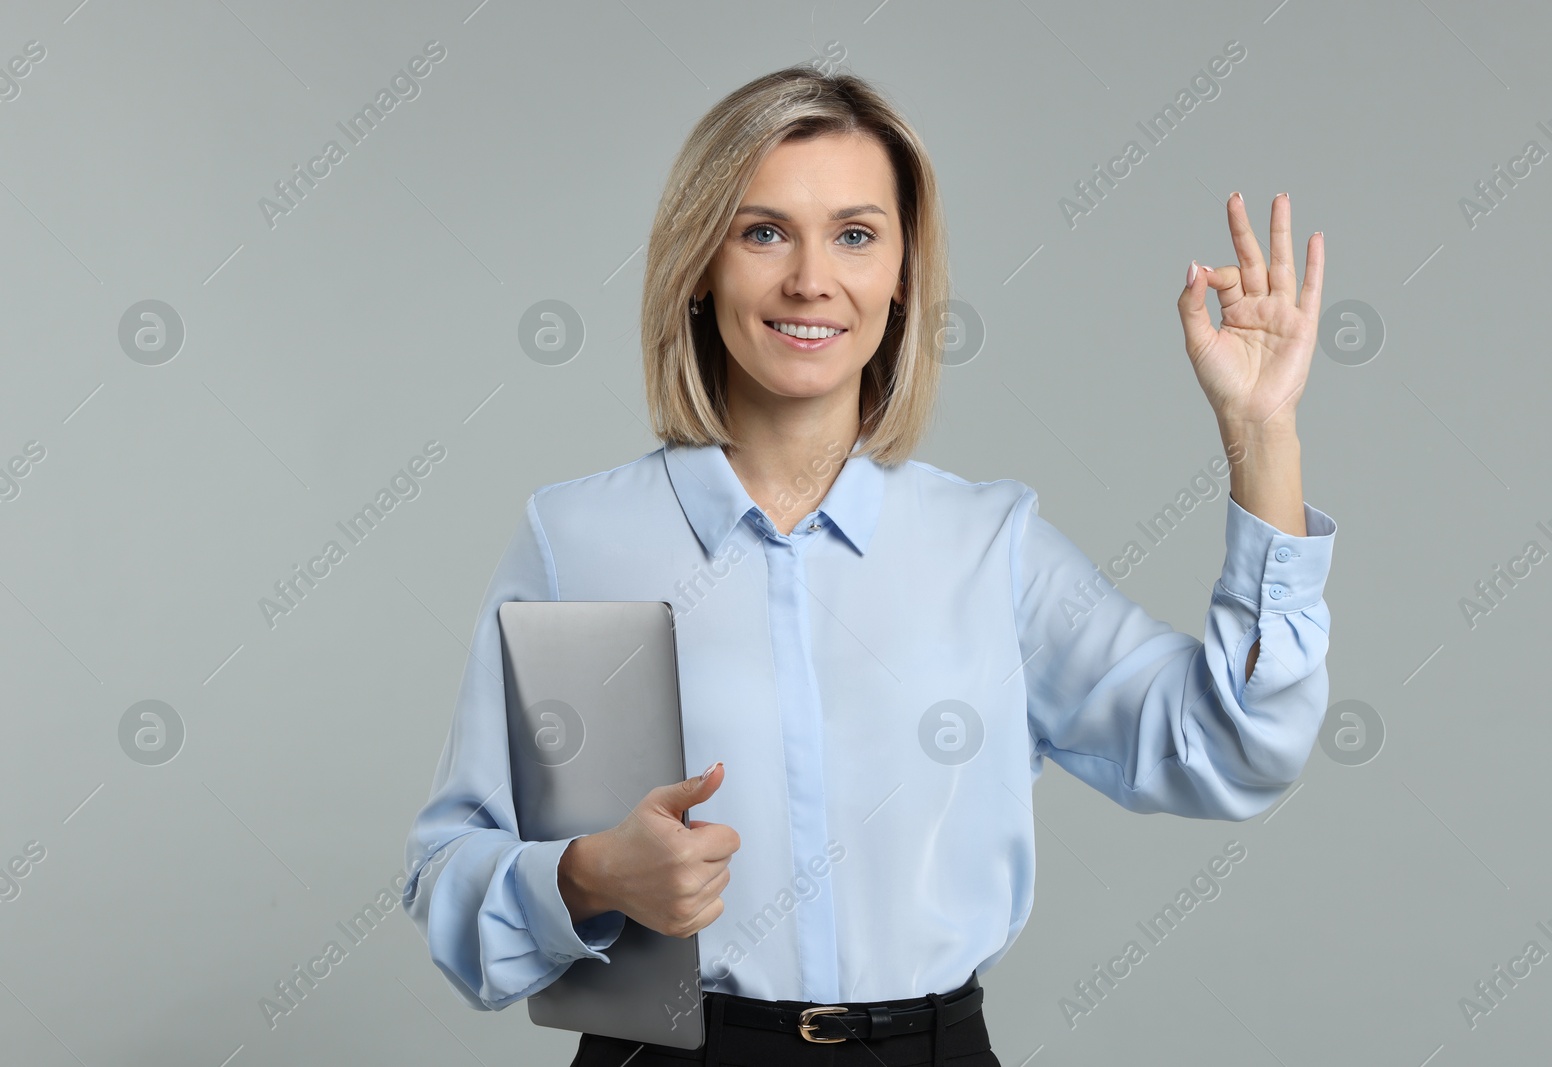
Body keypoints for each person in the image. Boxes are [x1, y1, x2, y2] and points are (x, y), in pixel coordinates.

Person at [400, 64, 1337, 1067]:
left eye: (855, 233)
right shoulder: (576, 538)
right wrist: (588, 875)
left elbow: (1235, 748)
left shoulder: (991, 546)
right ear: (700, 263)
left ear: (900, 272)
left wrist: (1260, 435)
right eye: (763, 231)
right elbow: (448, 875)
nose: (811, 278)